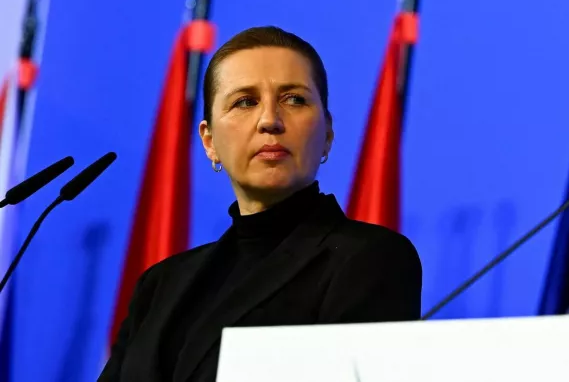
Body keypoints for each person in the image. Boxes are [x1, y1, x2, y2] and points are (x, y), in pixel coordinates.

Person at [98, 26, 422, 382]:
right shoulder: (159, 285)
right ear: (209, 141)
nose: (270, 120)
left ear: (327, 134)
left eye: (294, 99)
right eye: (245, 101)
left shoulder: (370, 259)